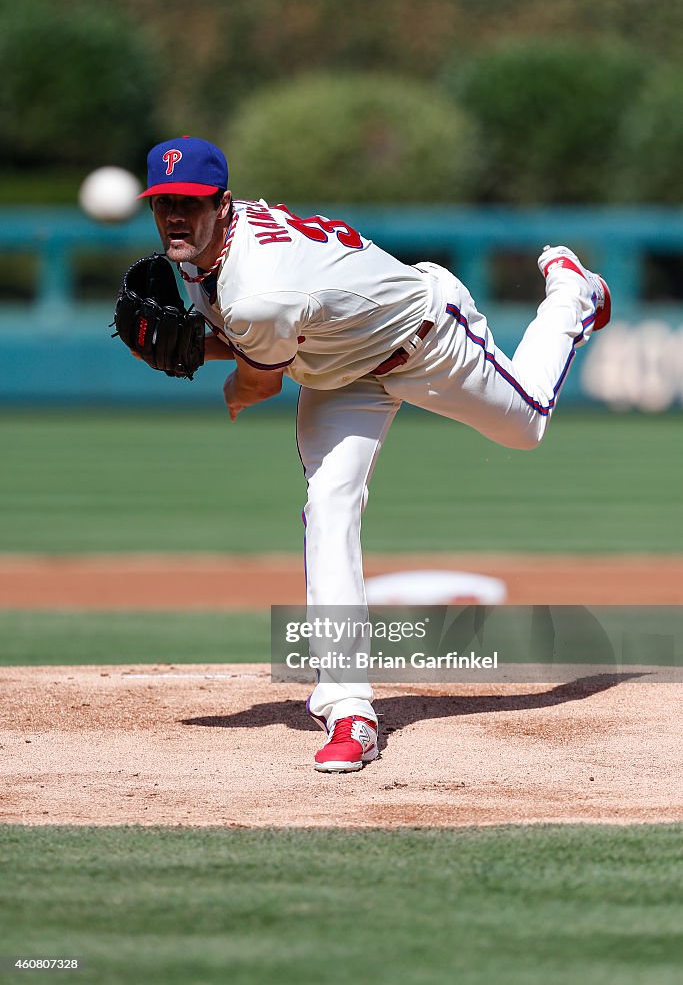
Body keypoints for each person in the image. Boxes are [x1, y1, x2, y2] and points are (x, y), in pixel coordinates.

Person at [139, 135, 611, 773]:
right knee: (328, 506)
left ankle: (571, 297)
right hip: (339, 372)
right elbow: (267, 331)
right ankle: (349, 708)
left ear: (223, 205)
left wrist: (196, 355)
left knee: (524, 425)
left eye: (190, 202)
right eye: (164, 200)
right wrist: (198, 340)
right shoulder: (215, 250)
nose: (175, 214)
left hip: (423, 338)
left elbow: (257, 381)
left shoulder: (259, 284)